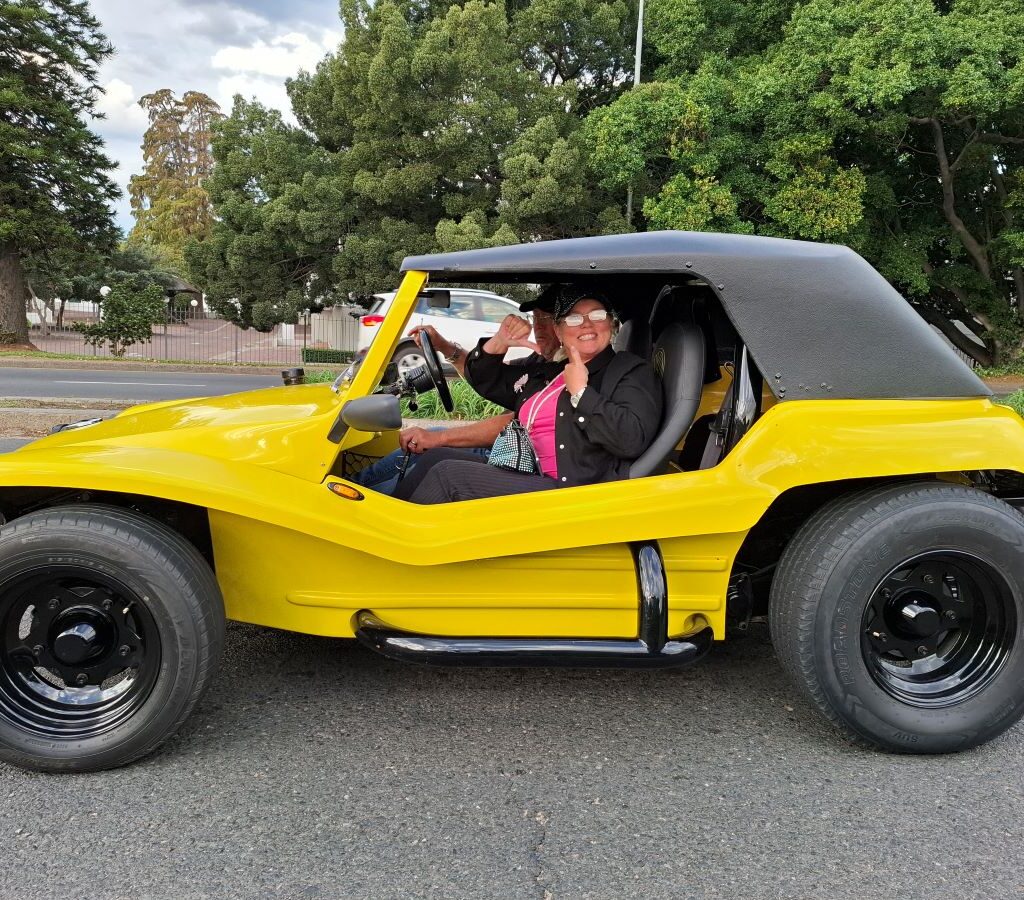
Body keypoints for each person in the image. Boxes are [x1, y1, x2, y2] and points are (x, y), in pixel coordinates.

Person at [392, 286, 663, 504]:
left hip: (573, 493)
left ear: (611, 323)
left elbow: (631, 440)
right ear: (560, 330)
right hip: (529, 470)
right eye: (574, 318)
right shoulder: (551, 370)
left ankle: (392, 556)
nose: (586, 325)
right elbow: (490, 382)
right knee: (436, 458)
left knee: (448, 476)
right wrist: (499, 342)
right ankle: (387, 522)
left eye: (597, 315)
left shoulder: (629, 370)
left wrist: (582, 393)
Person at [352, 293, 560, 494]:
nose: (538, 327)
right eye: (535, 317)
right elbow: (488, 377)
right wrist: (444, 346)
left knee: (435, 461)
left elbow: (519, 421)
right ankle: (356, 487)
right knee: (428, 442)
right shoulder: (542, 360)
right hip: (510, 448)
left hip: (521, 460)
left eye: (546, 318)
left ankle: (361, 506)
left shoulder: (566, 371)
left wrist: (439, 438)